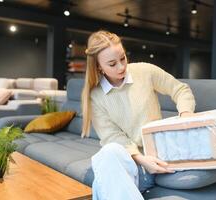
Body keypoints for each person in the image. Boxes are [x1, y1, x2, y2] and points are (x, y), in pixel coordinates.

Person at [81, 30, 196, 200]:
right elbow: (112, 136)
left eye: (123, 58)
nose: (121, 67)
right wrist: (141, 160)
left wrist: (186, 115)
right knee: (110, 150)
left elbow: (180, 89)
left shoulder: (144, 71)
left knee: (100, 182)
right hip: (134, 163)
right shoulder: (95, 96)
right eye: (112, 64)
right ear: (99, 66)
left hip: (158, 155)